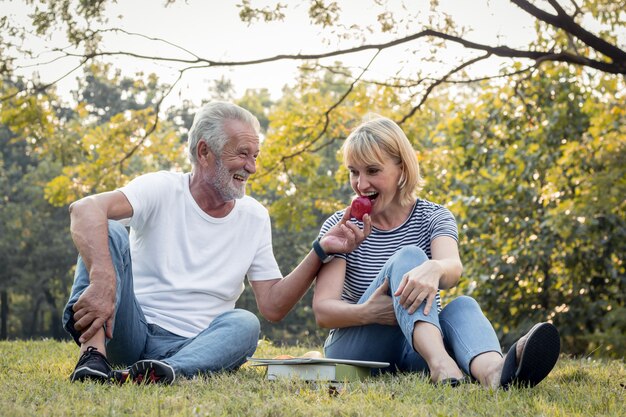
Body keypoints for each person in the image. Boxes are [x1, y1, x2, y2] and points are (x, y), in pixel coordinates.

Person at [63, 101, 370, 384]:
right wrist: (104, 281)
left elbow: (273, 306)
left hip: (198, 344)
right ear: (204, 152)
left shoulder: (255, 217)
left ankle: (164, 372)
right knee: (108, 228)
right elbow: (85, 209)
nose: (252, 167)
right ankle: (94, 357)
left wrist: (321, 250)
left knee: (245, 324)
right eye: (242, 154)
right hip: (128, 328)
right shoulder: (161, 188)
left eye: (254, 156)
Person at [312, 116, 561, 389]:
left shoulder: (434, 216)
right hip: (356, 351)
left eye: (372, 171)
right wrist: (369, 313)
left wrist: (436, 268)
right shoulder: (341, 227)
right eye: (354, 172)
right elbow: (324, 312)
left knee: (463, 305)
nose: (360, 184)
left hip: (414, 348)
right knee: (408, 256)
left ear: (402, 169)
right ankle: (441, 363)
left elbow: (452, 268)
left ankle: (494, 372)